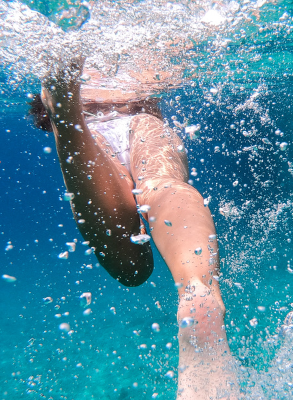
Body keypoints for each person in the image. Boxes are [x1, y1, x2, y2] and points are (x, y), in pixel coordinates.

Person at [29, 61, 239, 400]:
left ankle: (65, 112)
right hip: (142, 118)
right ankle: (198, 289)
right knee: (162, 182)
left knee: (131, 269)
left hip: (88, 132)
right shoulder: (142, 76)